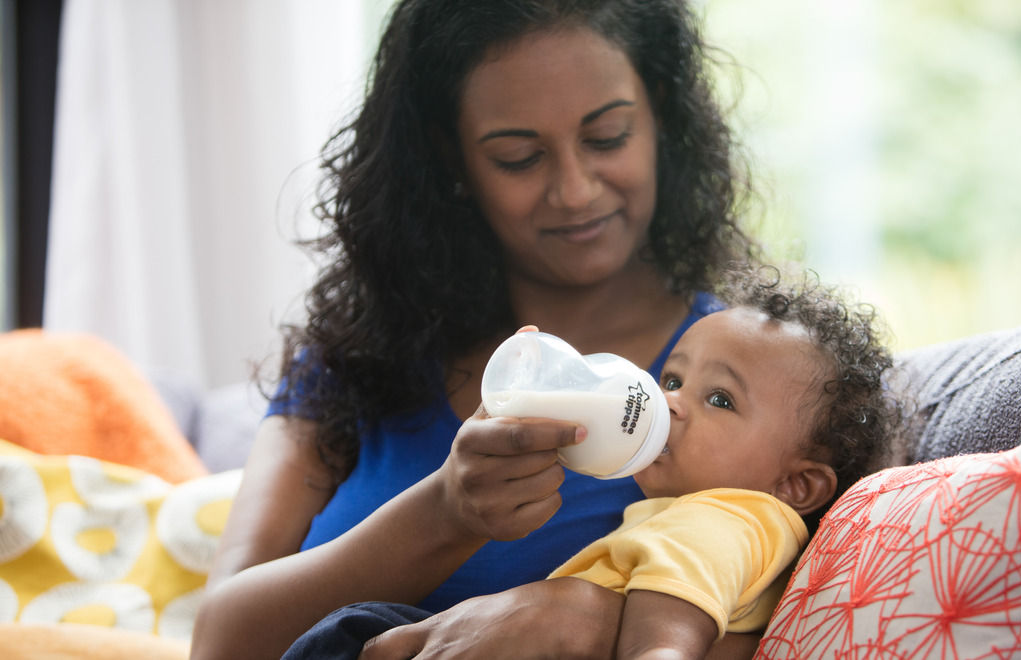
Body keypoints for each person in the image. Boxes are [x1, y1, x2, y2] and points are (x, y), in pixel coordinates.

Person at [189, 1, 758, 658]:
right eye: (519, 157)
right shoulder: (355, 354)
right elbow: (219, 641)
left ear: (660, 113)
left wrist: (579, 612)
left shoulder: (738, 381)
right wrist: (443, 515)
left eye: (607, 138)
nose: (575, 190)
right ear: (449, 156)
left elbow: (765, 612)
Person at [285, 267, 902, 659]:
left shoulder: (730, 518)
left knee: (353, 632)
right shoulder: (686, 513)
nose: (668, 403)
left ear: (796, 483)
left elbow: (670, 622)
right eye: (672, 378)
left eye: (719, 399)